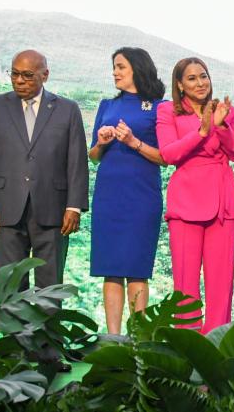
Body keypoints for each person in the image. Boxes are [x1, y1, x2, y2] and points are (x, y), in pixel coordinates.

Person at [0, 49, 89, 290]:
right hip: (4, 211)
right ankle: (15, 330)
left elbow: (76, 161)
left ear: (45, 75)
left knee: (50, 286)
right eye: (14, 74)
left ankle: (46, 329)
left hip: (54, 211)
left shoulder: (68, 109)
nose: (19, 80)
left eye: (27, 75)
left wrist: (74, 206)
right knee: (10, 284)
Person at [156, 57, 234, 333]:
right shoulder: (167, 111)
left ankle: (217, 347)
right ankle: (189, 345)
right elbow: (169, 153)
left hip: (223, 202)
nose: (200, 82)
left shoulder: (224, 110)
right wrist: (203, 130)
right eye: (192, 78)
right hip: (186, 201)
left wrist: (221, 125)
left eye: (204, 76)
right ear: (180, 84)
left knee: (221, 283)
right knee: (185, 284)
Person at [88, 47, 167, 334]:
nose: (115, 72)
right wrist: (101, 141)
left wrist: (134, 141)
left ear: (137, 68)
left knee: (136, 268)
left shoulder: (160, 107)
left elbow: (166, 157)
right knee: (110, 269)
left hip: (142, 196)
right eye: (114, 67)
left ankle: (139, 341)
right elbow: (94, 156)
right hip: (109, 196)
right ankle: (112, 339)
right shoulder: (106, 106)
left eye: (120, 66)